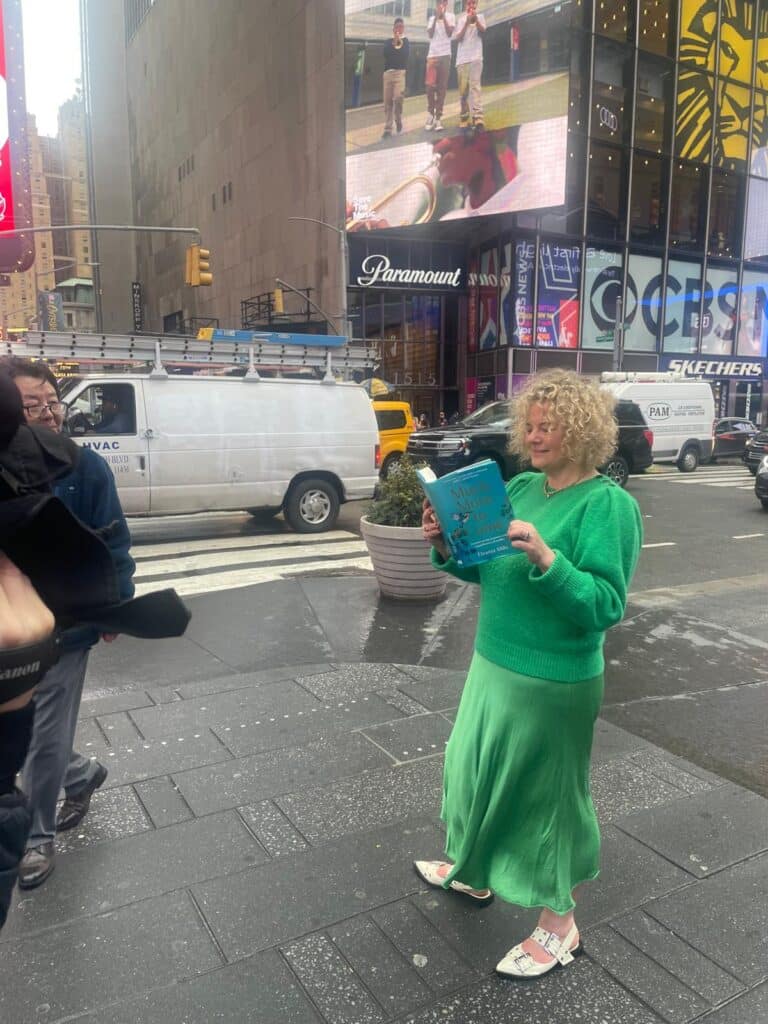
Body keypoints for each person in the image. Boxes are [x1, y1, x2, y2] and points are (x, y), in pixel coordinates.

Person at [417, 369, 642, 979]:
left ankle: (559, 925)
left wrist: (548, 557)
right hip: (492, 663)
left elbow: (604, 605)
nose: (536, 437)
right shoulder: (517, 485)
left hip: (554, 682)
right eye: (532, 426)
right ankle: (471, 869)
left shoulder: (608, 506)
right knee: (468, 772)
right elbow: (485, 570)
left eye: (551, 426)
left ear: (582, 430)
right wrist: (445, 545)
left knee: (547, 805)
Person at [3, 358, 136, 889]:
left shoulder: (85, 467)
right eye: (31, 406)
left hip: (68, 626)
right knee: (35, 733)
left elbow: (115, 541)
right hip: (13, 630)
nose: (48, 415)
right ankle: (81, 774)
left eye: (52, 403)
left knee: (42, 735)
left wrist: (116, 606)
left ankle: (37, 839)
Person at [455, 0, 487, 130]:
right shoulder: (461, 20)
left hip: (476, 57)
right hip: (462, 59)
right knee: (463, 91)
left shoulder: (481, 17)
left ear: (477, 4)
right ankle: (464, 117)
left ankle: (478, 117)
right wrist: (467, 22)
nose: (471, 6)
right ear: (465, 5)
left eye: (473, 3)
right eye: (469, 3)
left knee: (475, 88)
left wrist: (475, 20)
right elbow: (458, 38)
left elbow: (483, 31)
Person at [425, 1, 454, 132]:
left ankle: (438, 118)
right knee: (430, 86)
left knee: (442, 88)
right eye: (439, 2)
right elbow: (430, 34)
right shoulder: (431, 18)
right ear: (436, 4)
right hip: (433, 56)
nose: (441, 4)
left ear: (446, 3)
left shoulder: (451, 16)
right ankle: (430, 114)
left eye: (443, 2)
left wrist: (444, 17)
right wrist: (437, 17)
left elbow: (449, 33)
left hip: (446, 55)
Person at [382, 17, 409, 138]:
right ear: (393, 29)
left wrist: (399, 41)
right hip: (388, 73)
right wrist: (394, 42)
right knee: (387, 102)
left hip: (400, 73)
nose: (399, 29)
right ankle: (388, 129)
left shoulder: (406, 41)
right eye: (397, 27)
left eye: (401, 27)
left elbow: (405, 55)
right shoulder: (388, 41)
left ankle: (398, 120)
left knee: (398, 97)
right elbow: (386, 54)